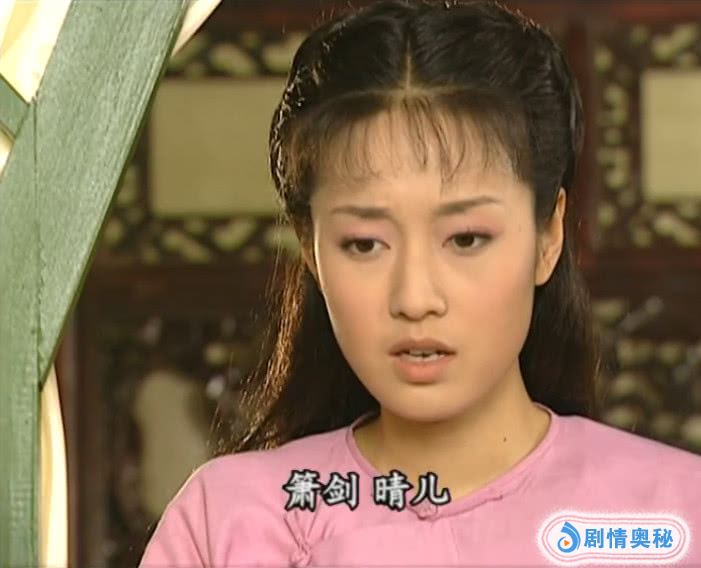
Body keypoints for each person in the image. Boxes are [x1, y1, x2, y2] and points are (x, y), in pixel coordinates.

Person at [139, 1, 701, 566]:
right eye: (365, 244)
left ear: (548, 235)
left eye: (466, 239)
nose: (414, 299)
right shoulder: (229, 522)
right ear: (310, 248)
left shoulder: (677, 511)